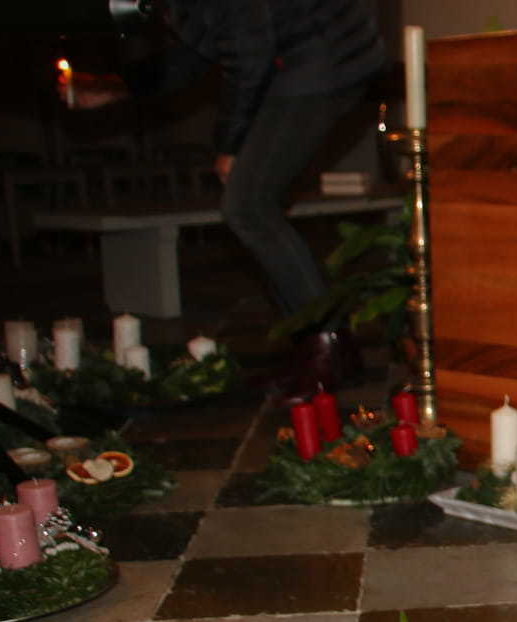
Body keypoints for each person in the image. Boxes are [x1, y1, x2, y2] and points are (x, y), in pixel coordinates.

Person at [70, 0, 386, 389]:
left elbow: (249, 55)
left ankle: (327, 348)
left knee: (247, 206)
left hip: (324, 57)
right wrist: (115, 86)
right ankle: (320, 347)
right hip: (319, 57)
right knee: (251, 206)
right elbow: (195, 55)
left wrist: (230, 144)